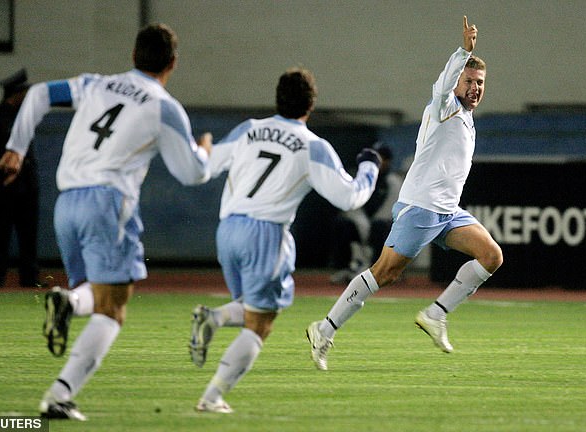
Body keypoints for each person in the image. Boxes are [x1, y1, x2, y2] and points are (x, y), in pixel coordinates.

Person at [0, 23, 212, 420]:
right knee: (113, 308)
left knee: (92, 295)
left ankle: (66, 304)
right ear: (173, 64)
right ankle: (59, 395)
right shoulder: (164, 106)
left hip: (67, 204)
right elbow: (191, 174)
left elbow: (40, 93)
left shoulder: (97, 84)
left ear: (132, 56)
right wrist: (202, 152)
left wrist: (16, 147)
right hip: (107, 204)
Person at [306, 16, 503, 370]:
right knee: (384, 273)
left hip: (446, 212)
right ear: (457, 81)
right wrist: (463, 52)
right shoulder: (443, 108)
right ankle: (324, 328)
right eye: (470, 81)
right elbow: (441, 87)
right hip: (420, 209)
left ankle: (436, 313)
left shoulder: (468, 118)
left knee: (491, 255)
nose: (476, 87)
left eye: (480, 82)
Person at [188, 67, 382, 413]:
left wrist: (202, 147)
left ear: (277, 98)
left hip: (228, 229)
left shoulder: (248, 129)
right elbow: (350, 198)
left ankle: (213, 319)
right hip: (266, 233)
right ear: (311, 106)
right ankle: (212, 397)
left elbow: (209, 165)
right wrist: (370, 166)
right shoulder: (313, 146)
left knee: (252, 307)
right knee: (260, 324)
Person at [0, 69, 42, 288]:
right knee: (0, 233)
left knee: (28, 235)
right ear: (16, 94)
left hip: (27, 187)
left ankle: (29, 278)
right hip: (4, 189)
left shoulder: (24, 118)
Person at [329, 141, 402, 284]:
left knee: (380, 227)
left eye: (380, 158)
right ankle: (345, 268)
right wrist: (363, 226)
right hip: (363, 224)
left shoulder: (393, 181)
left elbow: (390, 211)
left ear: (387, 161)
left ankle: (380, 269)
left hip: (385, 227)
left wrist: (370, 226)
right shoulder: (360, 177)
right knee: (342, 224)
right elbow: (354, 205)